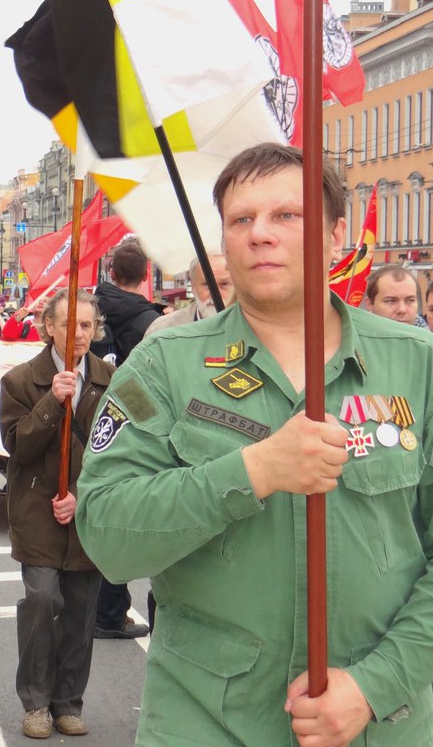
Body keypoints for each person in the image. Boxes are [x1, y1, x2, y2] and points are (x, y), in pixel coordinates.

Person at [77, 143, 433, 746]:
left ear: (337, 232)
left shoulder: (416, 365)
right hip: (207, 725)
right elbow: (107, 534)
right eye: (241, 220)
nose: (259, 235)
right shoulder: (164, 365)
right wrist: (253, 471)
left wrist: (375, 685)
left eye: (286, 216)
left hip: (382, 724)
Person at [1, 290, 114, 739]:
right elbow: (17, 445)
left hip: (88, 513)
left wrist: (83, 495)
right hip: (37, 511)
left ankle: (68, 701)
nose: (80, 334)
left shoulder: (112, 379)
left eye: (87, 325)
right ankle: (35, 702)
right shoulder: (21, 380)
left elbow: (122, 449)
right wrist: (52, 401)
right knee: (43, 599)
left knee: (81, 610)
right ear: (49, 326)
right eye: (70, 324)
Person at [89, 241, 160, 640]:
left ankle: (99, 608)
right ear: (145, 274)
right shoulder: (150, 320)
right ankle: (111, 612)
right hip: (139, 425)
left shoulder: (89, 309)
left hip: (92, 418)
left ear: (111, 271)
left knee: (100, 509)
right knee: (133, 519)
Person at [145, 253, 233, 336]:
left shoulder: (245, 326)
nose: (215, 293)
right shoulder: (161, 331)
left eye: (224, 284)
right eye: (207, 284)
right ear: (194, 286)